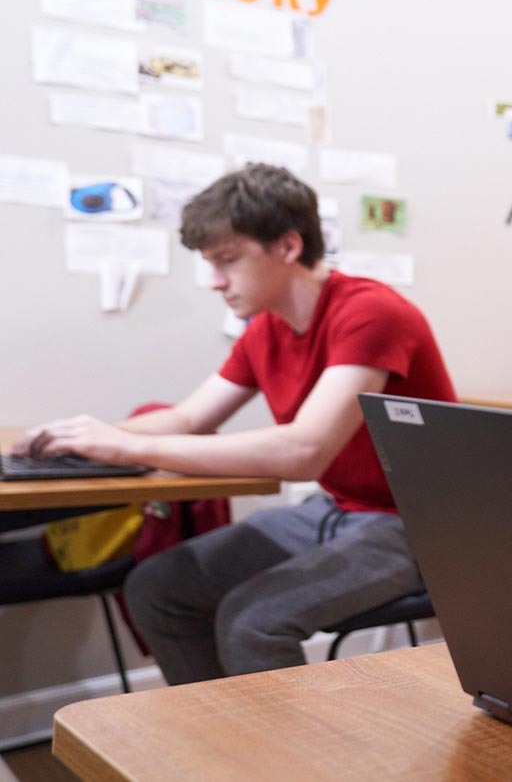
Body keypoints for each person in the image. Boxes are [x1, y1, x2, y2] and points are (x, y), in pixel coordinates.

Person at [12, 163, 457, 684]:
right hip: (339, 508)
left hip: (424, 526)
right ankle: (221, 745)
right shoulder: (264, 329)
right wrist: (85, 436)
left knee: (253, 623)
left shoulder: (372, 312)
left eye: (227, 261)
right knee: (156, 588)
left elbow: (304, 451)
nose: (214, 282)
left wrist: (127, 449)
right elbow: (187, 418)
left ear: (288, 246)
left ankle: (279, 764)